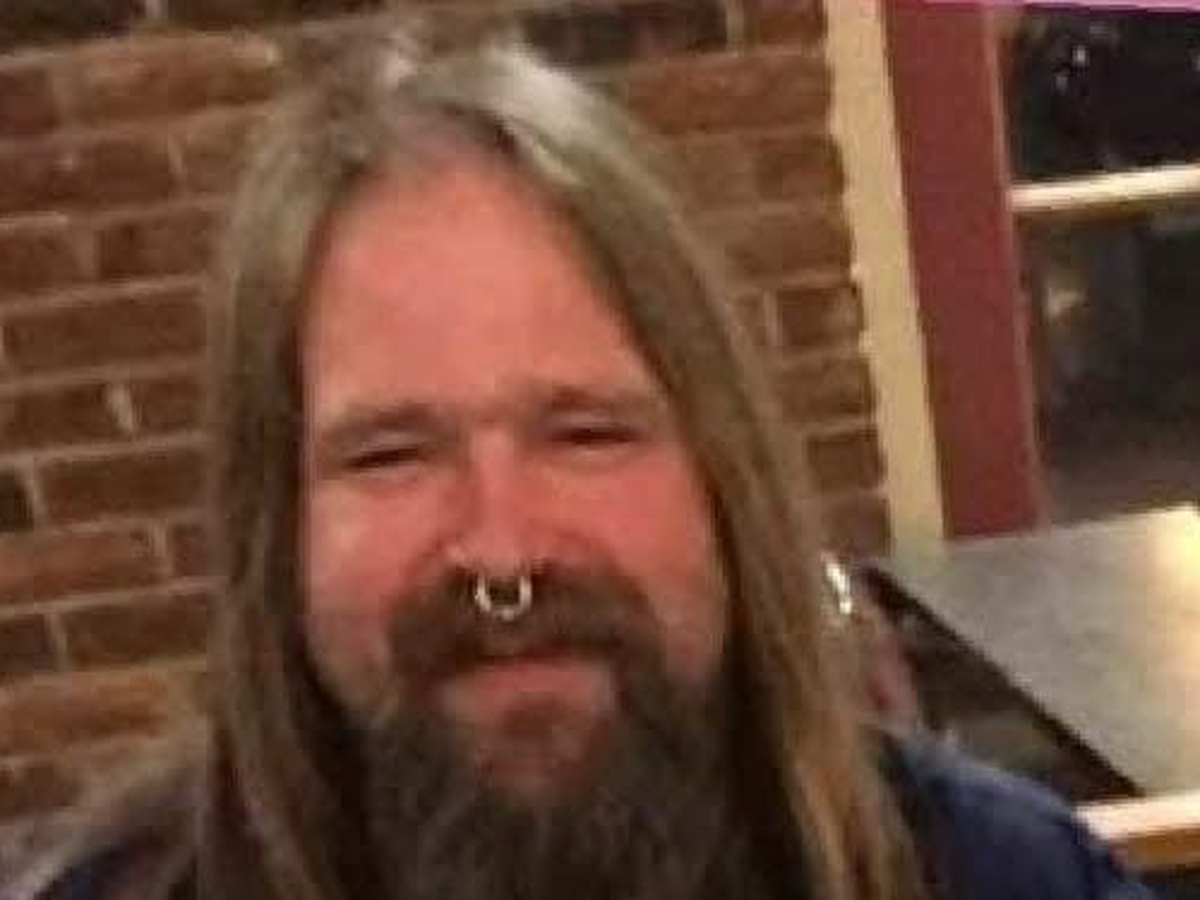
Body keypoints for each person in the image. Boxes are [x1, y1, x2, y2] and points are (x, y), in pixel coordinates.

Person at [5, 25, 1152, 900]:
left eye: (586, 434)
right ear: (280, 527)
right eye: (391, 454)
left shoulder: (1005, 881)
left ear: (725, 481)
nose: (503, 552)